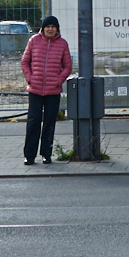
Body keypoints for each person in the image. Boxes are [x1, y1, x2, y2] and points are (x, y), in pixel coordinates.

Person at [20, 16, 73, 164]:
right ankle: (29, 156)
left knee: (49, 123)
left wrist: (58, 80)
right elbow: (25, 62)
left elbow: (68, 67)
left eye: (53, 27)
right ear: (43, 28)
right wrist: (30, 78)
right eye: (47, 26)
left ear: (57, 29)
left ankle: (46, 154)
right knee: (33, 122)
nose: (50, 29)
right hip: (35, 90)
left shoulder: (62, 44)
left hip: (53, 91)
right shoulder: (34, 41)